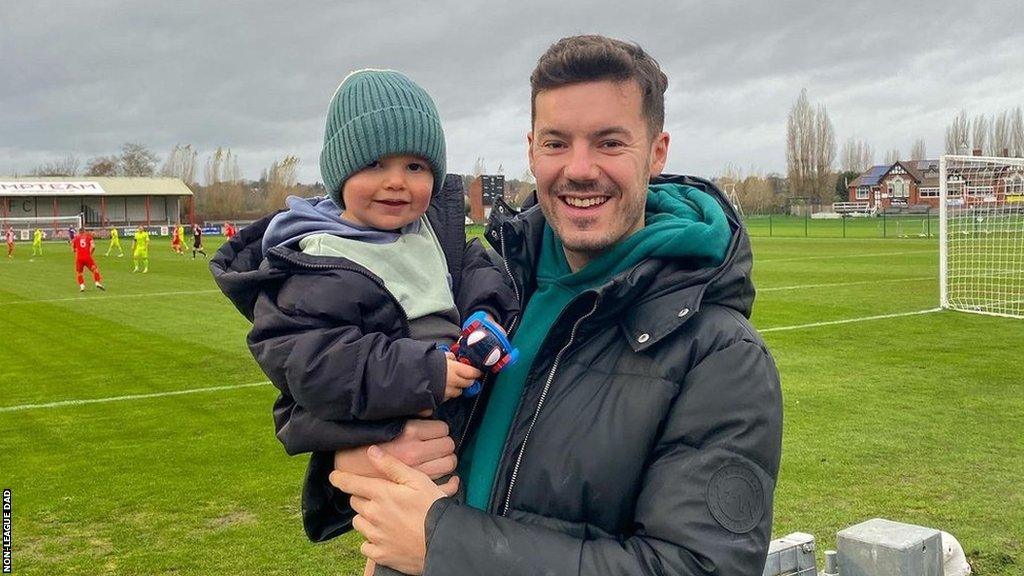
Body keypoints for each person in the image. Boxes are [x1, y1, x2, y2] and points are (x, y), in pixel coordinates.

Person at [314, 36, 783, 576]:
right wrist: (355, 461)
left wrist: (441, 547)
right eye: (557, 143)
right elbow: (347, 384)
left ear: (656, 152)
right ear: (531, 149)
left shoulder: (721, 355)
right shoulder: (484, 290)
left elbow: (698, 567)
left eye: (609, 143)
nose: (580, 169)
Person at [211, 68, 519, 576]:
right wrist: (427, 372)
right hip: (406, 471)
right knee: (408, 556)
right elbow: (315, 365)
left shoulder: (432, 235)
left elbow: (479, 276)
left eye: (416, 165)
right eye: (375, 163)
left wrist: (485, 318)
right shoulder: (319, 259)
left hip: (463, 458)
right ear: (340, 172)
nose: (397, 181)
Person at [72, 228, 105, 292]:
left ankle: (82, 286)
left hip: (79, 258)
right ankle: (97, 282)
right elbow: (93, 247)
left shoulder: (75, 238)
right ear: (84, 232)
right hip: (87, 257)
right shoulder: (89, 237)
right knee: (95, 270)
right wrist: (90, 253)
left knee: (79, 273)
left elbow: (73, 250)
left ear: (79, 232)